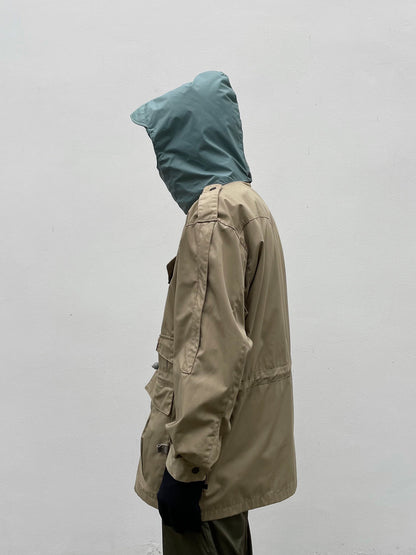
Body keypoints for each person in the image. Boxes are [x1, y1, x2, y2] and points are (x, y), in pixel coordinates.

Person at [130, 70, 297, 555]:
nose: (161, 164)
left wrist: (185, 469)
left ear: (185, 143)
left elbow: (210, 354)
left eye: (164, 146)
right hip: (228, 457)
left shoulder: (215, 214)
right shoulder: (248, 205)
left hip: (206, 470)